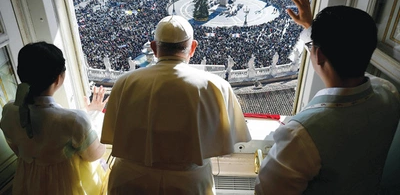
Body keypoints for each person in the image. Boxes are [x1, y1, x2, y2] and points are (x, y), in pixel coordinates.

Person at [255, 0, 400, 194]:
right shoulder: (389, 93)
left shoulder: (299, 135)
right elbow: (346, 50)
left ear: (319, 54)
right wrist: (309, 27)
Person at [101, 15, 251, 195]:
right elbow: (227, 141)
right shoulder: (217, 86)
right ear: (193, 47)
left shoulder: (124, 82)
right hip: (187, 184)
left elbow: (113, 134)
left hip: (129, 181)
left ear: (154, 48)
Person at [0, 42, 108, 195]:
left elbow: (18, 148)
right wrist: (93, 117)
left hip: (28, 183)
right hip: (66, 186)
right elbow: (93, 155)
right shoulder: (75, 121)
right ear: (59, 79)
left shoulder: (9, 111)